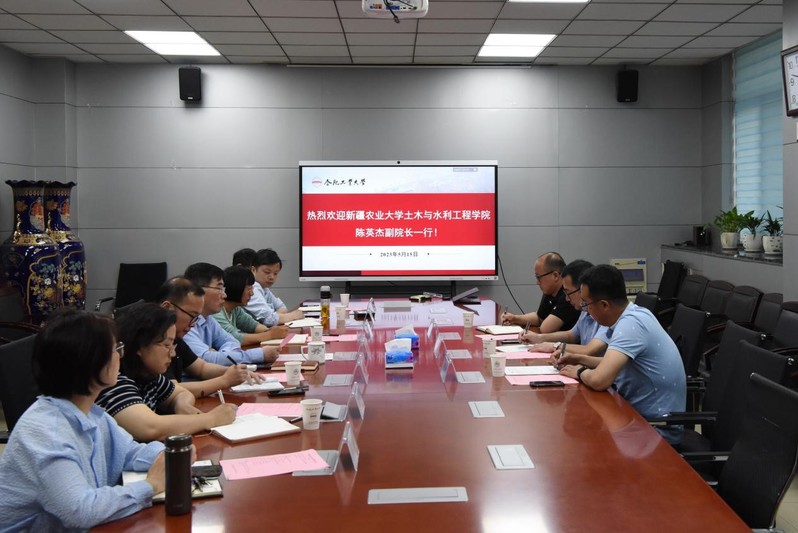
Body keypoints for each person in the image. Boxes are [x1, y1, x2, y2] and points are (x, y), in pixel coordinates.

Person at [0, 309, 168, 530]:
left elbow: (128, 452)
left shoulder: (91, 413)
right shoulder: (47, 434)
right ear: (90, 361)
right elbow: (80, 511)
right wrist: (150, 486)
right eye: (115, 349)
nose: (120, 356)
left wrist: (168, 456)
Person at [557, 264, 686, 445]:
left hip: (656, 430)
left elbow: (600, 380)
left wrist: (579, 371)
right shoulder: (635, 314)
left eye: (586, 304)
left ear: (604, 305)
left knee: (586, 440)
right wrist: (580, 359)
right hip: (634, 417)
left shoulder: (631, 325)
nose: (585, 310)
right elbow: (614, 363)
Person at [96, 303, 237, 442]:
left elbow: (181, 393)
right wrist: (211, 418)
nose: (173, 353)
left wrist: (181, 405)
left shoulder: (149, 376)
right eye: (166, 345)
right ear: (139, 345)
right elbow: (151, 428)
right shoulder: (113, 382)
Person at [157, 276, 263, 396]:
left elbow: (201, 368)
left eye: (197, 318)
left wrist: (235, 372)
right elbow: (171, 389)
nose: (194, 324)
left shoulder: (175, 337)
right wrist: (224, 380)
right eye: (192, 316)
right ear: (167, 308)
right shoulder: (152, 338)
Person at [183, 262, 279, 365]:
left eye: (223, 289)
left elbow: (232, 341)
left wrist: (221, 355)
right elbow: (205, 359)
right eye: (219, 289)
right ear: (198, 290)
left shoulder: (208, 319)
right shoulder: (184, 324)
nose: (224, 295)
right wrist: (259, 354)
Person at [520, 259, 609, 357]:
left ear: (583, 289)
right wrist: (538, 338)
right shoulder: (585, 310)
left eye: (568, 292)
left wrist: (555, 346)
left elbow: (590, 350)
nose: (566, 298)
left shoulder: (606, 314)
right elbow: (571, 335)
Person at [501, 252, 580, 333]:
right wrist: (514, 318)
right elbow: (539, 317)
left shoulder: (568, 296)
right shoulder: (550, 291)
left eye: (539, 277)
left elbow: (545, 329)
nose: (537, 282)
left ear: (555, 276)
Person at [214, 265, 289, 345]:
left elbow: (252, 325)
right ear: (236, 288)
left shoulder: (235, 309)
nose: (252, 293)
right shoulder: (216, 312)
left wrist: (270, 331)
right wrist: (270, 335)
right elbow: (235, 339)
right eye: (249, 289)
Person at [243, 248, 303, 326]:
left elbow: (282, 308)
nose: (272, 277)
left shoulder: (264, 288)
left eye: (275, 273)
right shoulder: (252, 288)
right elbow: (270, 320)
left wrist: (274, 317)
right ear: (253, 270)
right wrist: (293, 316)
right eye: (267, 272)